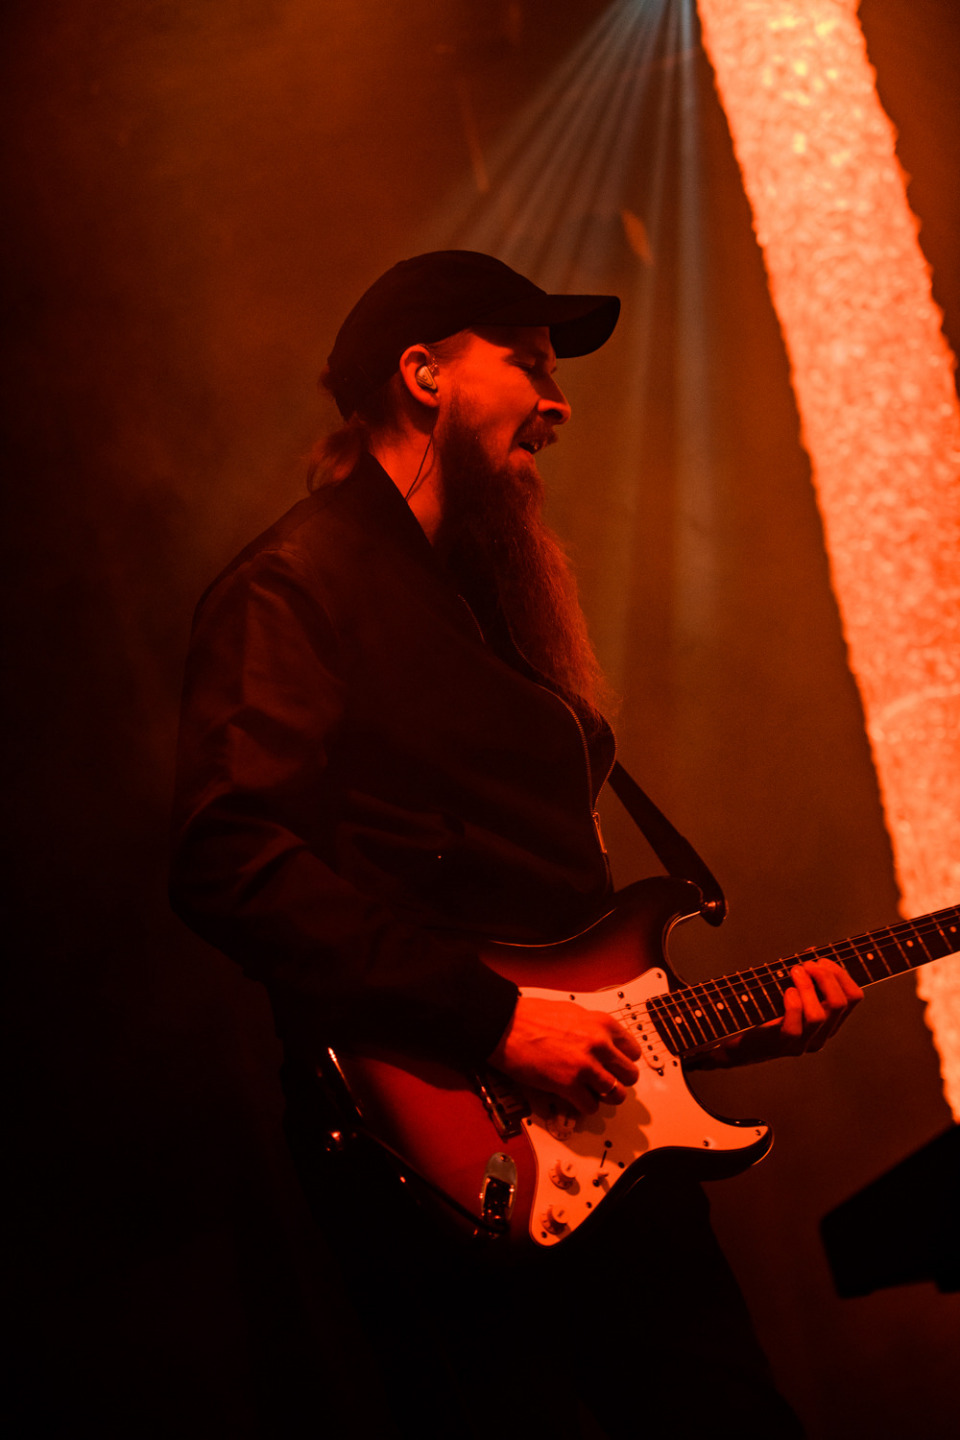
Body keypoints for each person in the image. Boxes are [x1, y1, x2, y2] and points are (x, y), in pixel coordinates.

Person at [170, 251, 862, 1439]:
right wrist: (490, 1018)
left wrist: (717, 1027)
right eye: (530, 362)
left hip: (611, 1146)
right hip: (446, 1157)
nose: (560, 401)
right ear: (423, 373)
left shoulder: (486, 602)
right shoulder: (296, 583)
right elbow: (229, 857)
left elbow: (559, 942)